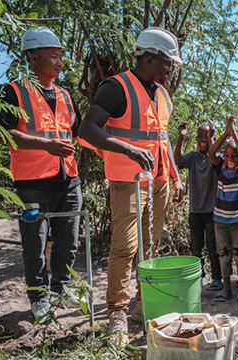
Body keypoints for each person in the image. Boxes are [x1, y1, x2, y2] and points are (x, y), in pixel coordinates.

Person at [79, 27, 185, 337]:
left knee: (150, 247)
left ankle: (145, 305)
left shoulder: (162, 93)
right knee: (125, 248)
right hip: (127, 181)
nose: (169, 70)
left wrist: (176, 177)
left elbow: (162, 139)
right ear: (150, 59)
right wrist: (127, 148)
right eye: (166, 63)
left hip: (159, 181)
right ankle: (117, 313)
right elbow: (88, 129)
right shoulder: (117, 87)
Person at [0, 27, 87, 319]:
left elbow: (80, 133)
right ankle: (39, 297)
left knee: (68, 239)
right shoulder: (13, 91)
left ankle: (61, 288)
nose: (60, 63)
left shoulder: (64, 95)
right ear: (33, 58)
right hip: (32, 183)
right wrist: (45, 145)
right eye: (53, 57)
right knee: (34, 243)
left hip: (68, 180)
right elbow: (4, 134)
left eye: (61, 57)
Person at [208, 115, 238, 305]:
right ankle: (226, 288)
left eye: (233, 155)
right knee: (223, 254)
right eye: (226, 156)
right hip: (220, 220)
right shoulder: (220, 168)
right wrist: (225, 133)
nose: (230, 159)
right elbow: (211, 153)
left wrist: (233, 132)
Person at [174, 122, 222, 291]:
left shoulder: (216, 156)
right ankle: (199, 276)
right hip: (195, 209)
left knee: (212, 245)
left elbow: (214, 156)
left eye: (207, 136)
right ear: (196, 138)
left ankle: (217, 278)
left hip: (211, 210)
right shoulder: (193, 157)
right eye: (200, 136)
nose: (203, 139)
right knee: (196, 247)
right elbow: (178, 160)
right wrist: (181, 136)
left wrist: (212, 139)